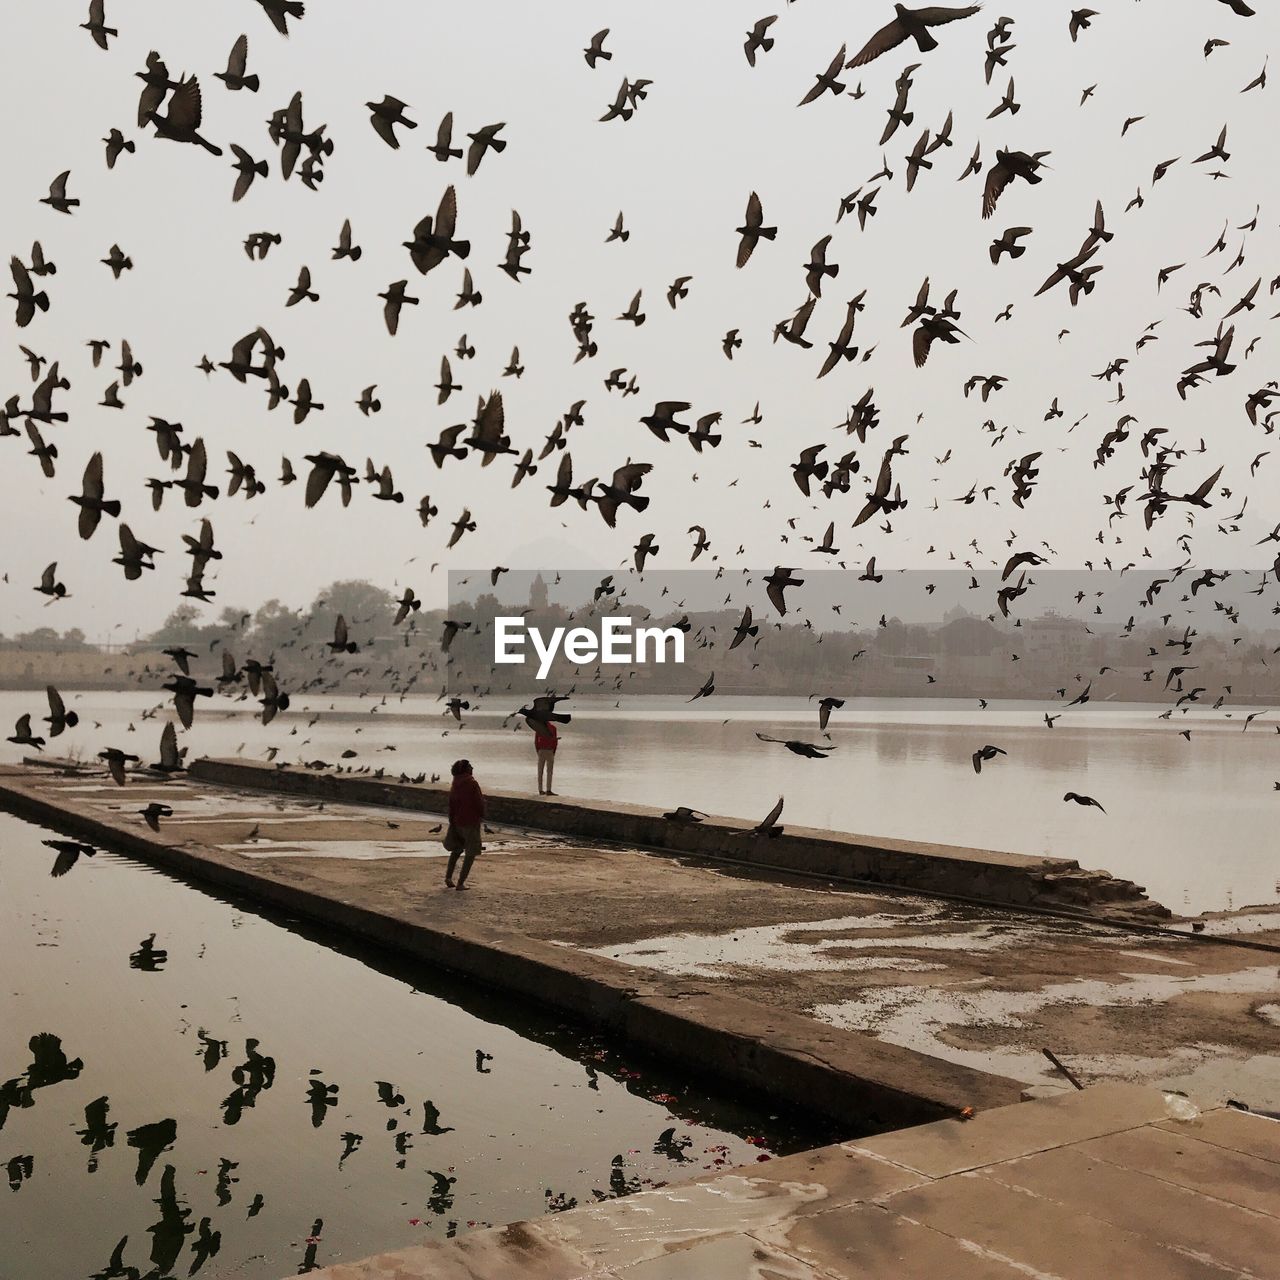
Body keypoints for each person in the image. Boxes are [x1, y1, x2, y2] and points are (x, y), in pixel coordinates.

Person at [445, 759, 484, 890]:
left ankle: (448, 878)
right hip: (470, 821)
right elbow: (479, 802)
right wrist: (483, 814)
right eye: (470, 766)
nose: (472, 768)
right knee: (470, 853)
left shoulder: (455, 783)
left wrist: (451, 820)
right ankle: (461, 883)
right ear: (466, 769)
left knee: (456, 850)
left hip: (457, 822)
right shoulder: (472, 783)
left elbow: (451, 803)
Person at [534, 719, 558, 795]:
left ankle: (540, 790)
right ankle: (548, 790)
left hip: (541, 750)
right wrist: (554, 751)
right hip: (549, 751)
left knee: (540, 771)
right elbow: (555, 741)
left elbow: (536, 741)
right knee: (549, 772)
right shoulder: (553, 728)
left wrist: (538, 750)